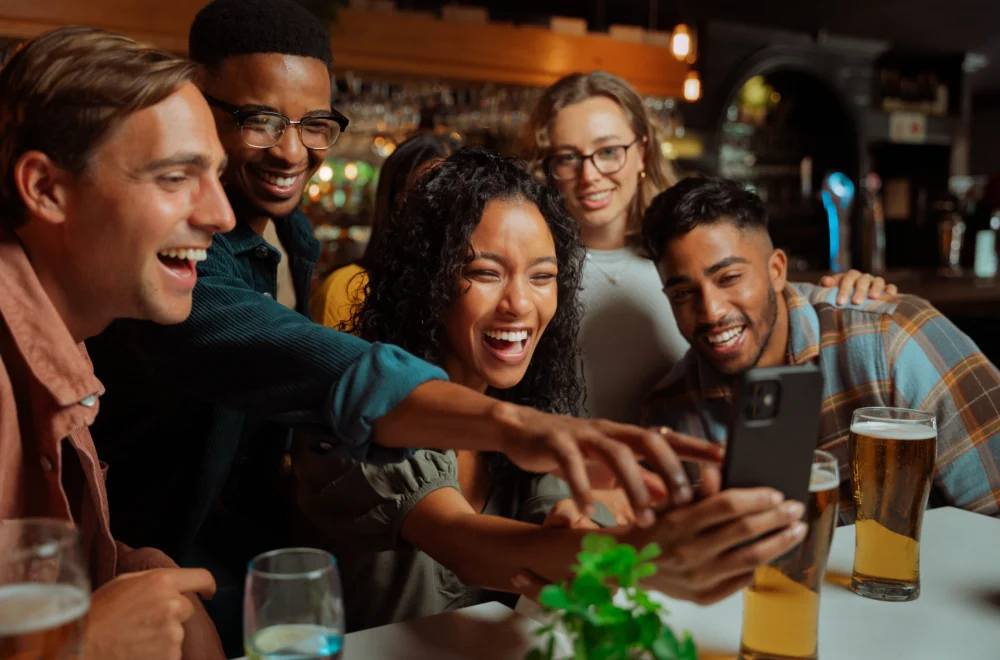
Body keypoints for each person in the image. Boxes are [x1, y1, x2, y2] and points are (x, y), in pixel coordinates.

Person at [84, 1, 713, 651]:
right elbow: (304, 365)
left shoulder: (293, 235)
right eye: (260, 119)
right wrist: (530, 438)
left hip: (253, 561)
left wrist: (586, 517)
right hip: (152, 561)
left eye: (316, 123)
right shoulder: (173, 258)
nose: (291, 148)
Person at [295, 149, 807, 631]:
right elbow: (465, 544)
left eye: (543, 276)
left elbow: (558, 530)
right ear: (429, 282)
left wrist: (584, 528)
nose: (520, 303)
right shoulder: (366, 409)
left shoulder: (529, 407)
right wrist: (640, 558)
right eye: (486, 273)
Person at [0, 26, 236, 659]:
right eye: (175, 176)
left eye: (215, 175)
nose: (222, 215)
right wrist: (84, 642)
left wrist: (137, 576)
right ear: (47, 189)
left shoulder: (66, 339)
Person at [517, 71, 896, 426]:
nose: (590, 174)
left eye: (609, 151)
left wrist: (855, 291)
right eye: (568, 157)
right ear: (547, 167)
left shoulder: (690, 252)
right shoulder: (531, 274)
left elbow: (775, 314)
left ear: (642, 152)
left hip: (684, 477)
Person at [641, 175, 1000, 522]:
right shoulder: (670, 414)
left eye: (729, 278)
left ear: (777, 270)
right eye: (683, 294)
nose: (711, 311)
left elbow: (994, 504)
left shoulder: (893, 338)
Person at [310, 133, 460, 329]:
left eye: (455, 194)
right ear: (395, 204)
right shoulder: (348, 290)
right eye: (428, 193)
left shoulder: (471, 292)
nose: (442, 208)